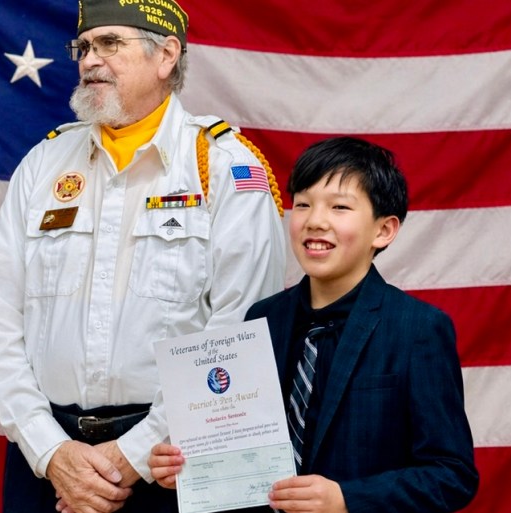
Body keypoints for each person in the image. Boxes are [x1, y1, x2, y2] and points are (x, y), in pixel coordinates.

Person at [0, 0, 287, 512]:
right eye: (84, 46)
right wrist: (50, 450)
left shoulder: (225, 166)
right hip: (51, 467)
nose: (90, 61)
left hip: (175, 462)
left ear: (166, 55)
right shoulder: (44, 163)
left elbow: (240, 332)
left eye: (110, 44)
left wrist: (128, 458)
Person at [148, 136, 479, 513]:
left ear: (383, 230)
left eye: (340, 207)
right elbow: (238, 448)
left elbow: (452, 475)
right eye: (303, 204)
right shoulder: (263, 319)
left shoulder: (418, 328)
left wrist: (346, 499)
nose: (315, 221)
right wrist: (188, 468)